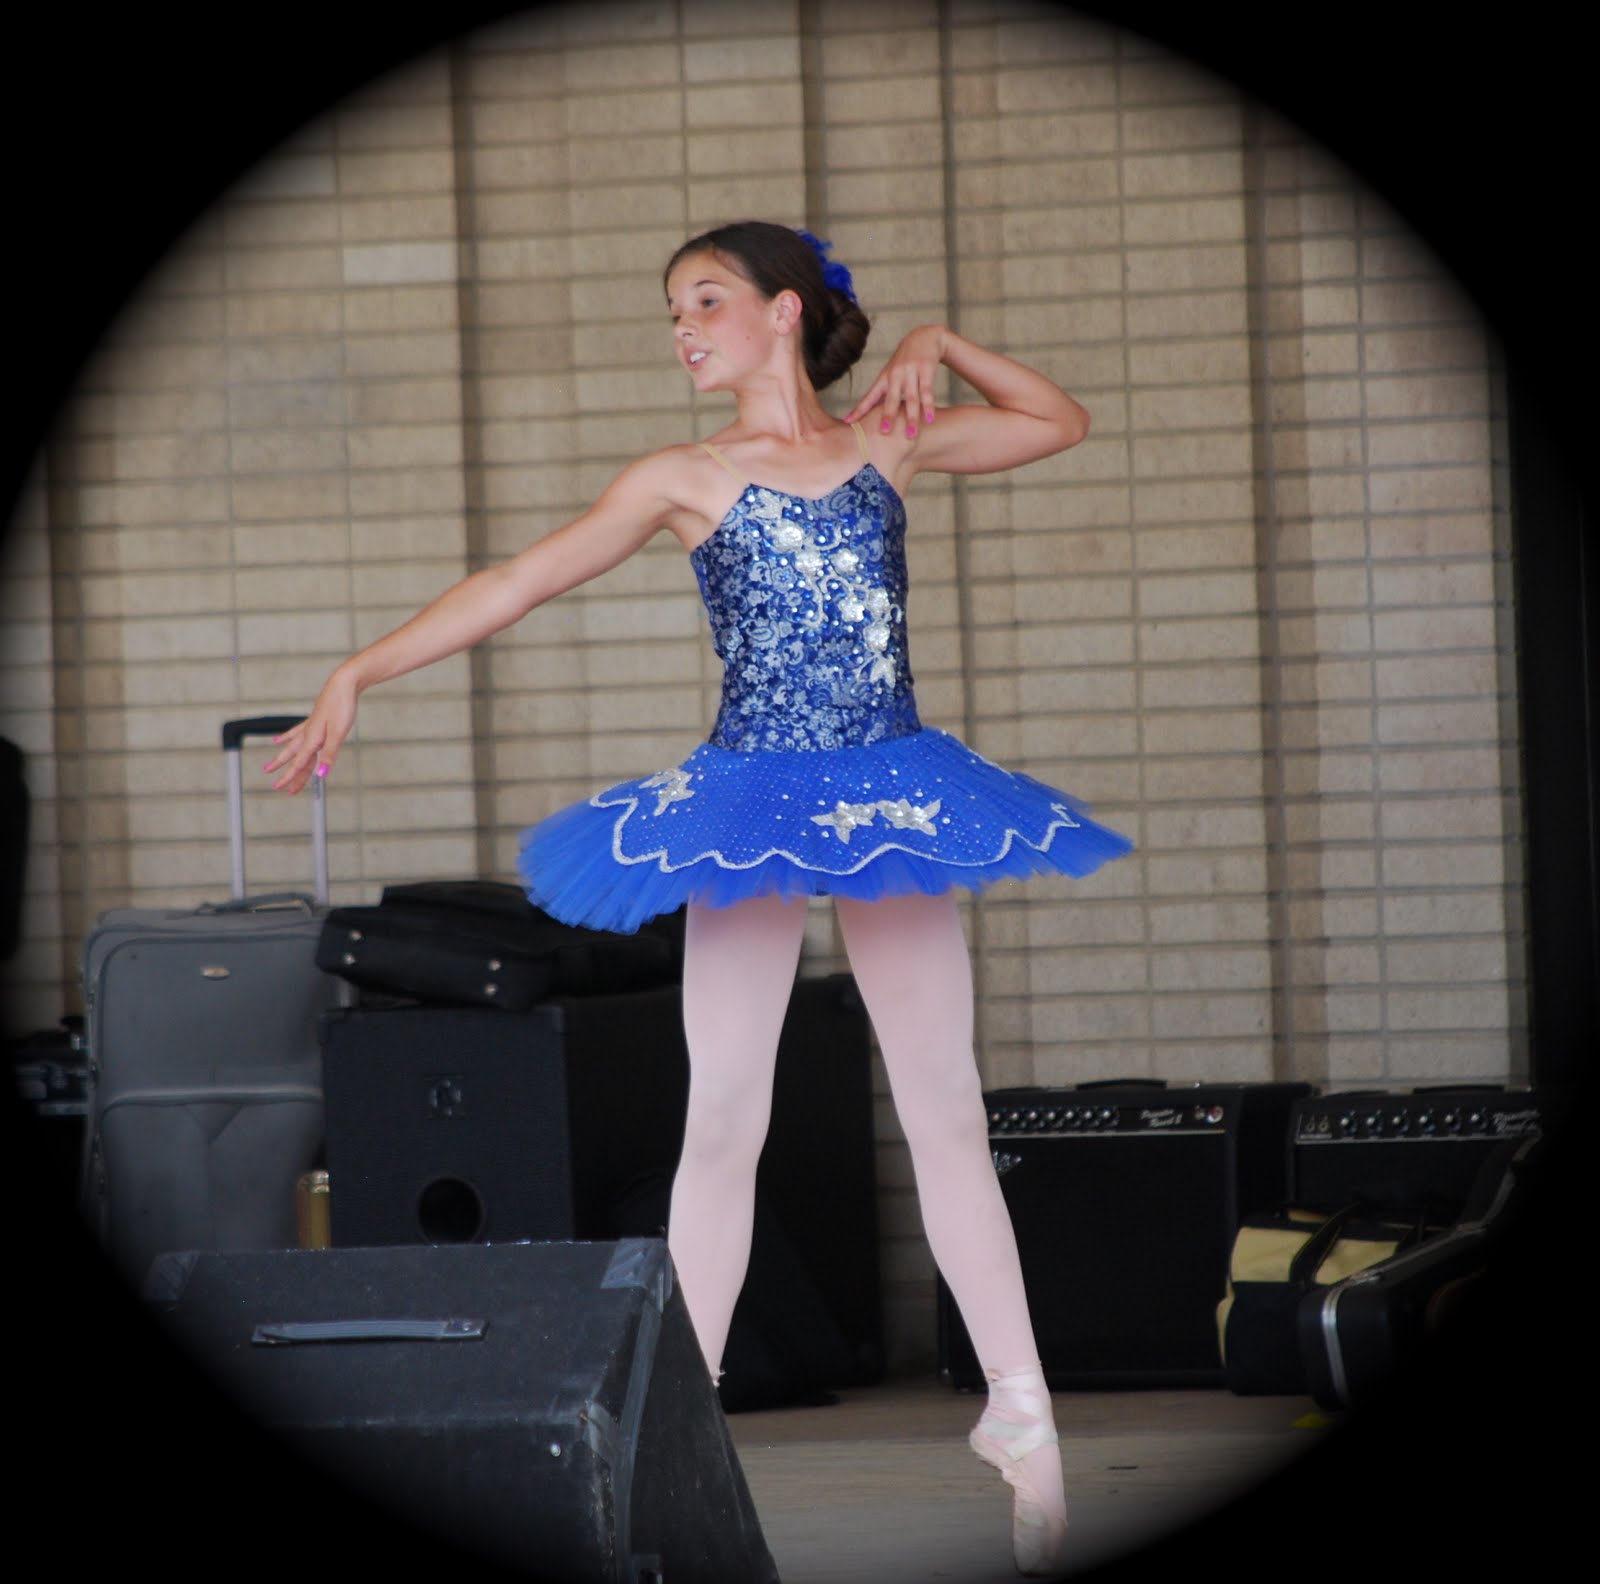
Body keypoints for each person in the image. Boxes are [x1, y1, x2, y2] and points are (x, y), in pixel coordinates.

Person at [265, 219, 1133, 1578]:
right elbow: (520, 580)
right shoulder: (686, 476)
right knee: (723, 1114)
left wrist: (935, 344)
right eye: (674, 308)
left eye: (707, 300)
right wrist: (360, 671)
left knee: (947, 1106)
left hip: (888, 793)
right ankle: (676, 1414)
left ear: (785, 312)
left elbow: (1057, 421)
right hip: (746, 811)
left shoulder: (888, 443)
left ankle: (1021, 1411)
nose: (684, 327)